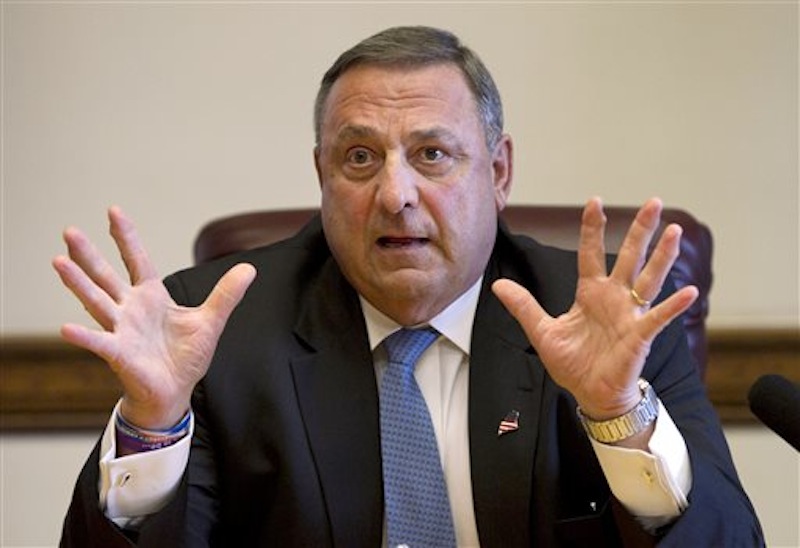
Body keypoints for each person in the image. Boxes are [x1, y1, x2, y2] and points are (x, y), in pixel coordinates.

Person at [55, 25, 763, 547]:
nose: (396, 194)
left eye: (432, 155)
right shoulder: (221, 330)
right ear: (322, 176)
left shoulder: (606, 319)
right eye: (360, 157)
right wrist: (152, 428)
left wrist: (616, 416)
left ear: (498, 171)